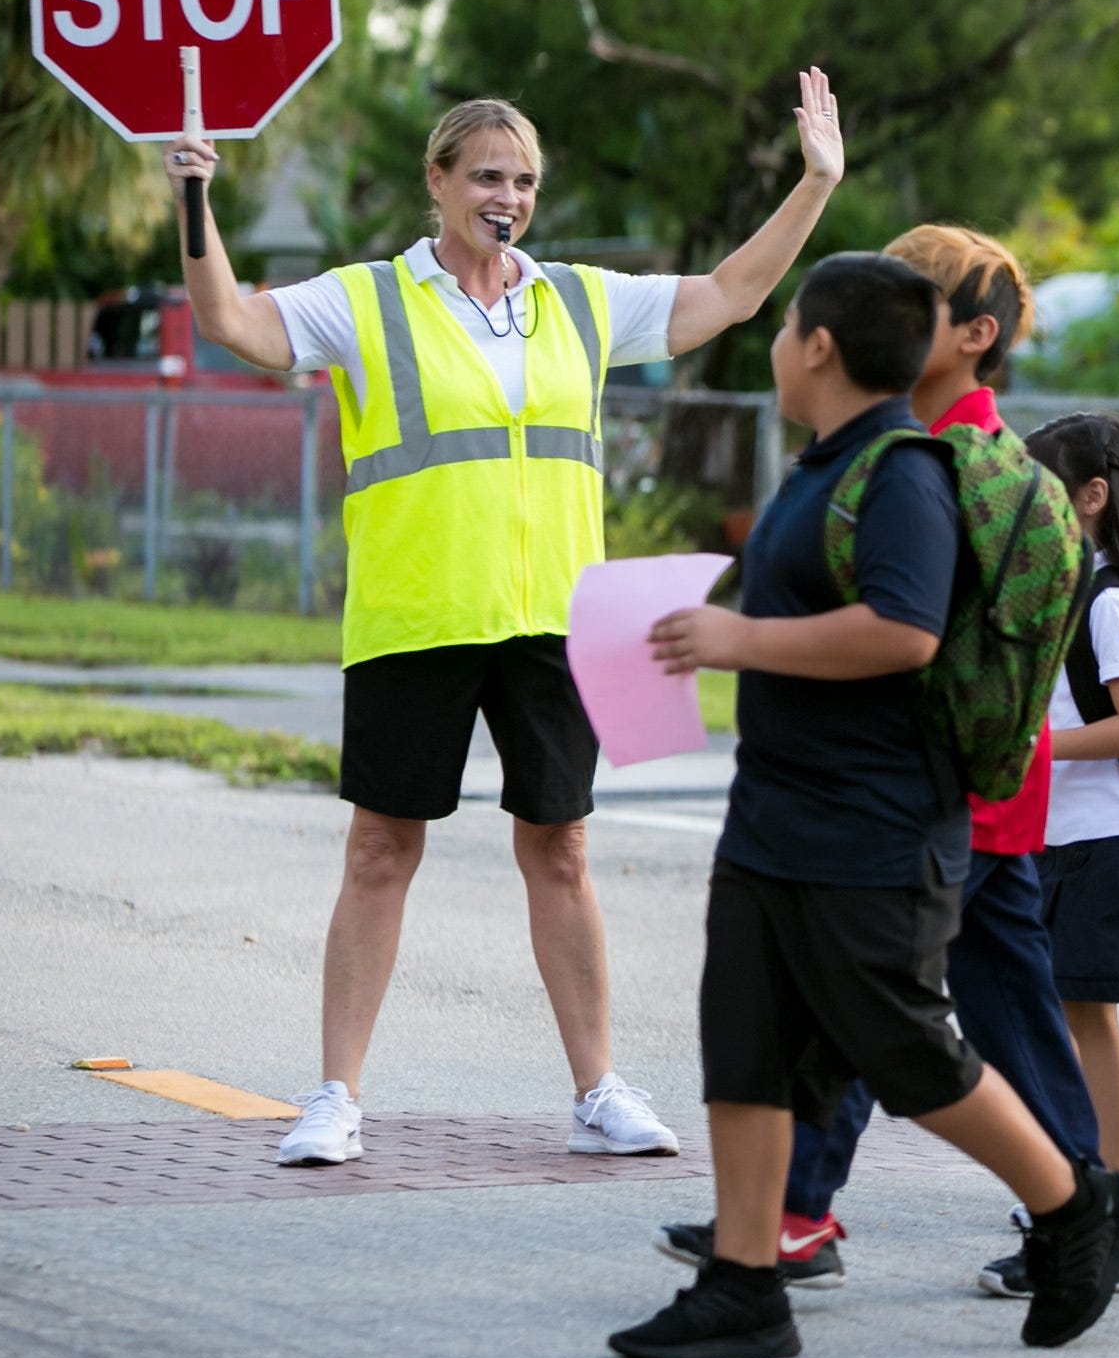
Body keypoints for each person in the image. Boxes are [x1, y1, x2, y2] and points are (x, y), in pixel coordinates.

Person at [161, 75, 846, 1166]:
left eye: (523, 179)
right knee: (382, 850)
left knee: (562, 850)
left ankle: (599, 1091)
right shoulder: (369, 298)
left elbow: (727, 295)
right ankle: (335, 1095)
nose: (508, 195)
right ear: (437, 182)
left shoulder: (575, 299)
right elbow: (232, 320)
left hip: (556, 624)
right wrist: (195, 203)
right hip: (416, 615)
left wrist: (817, 182)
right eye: (486, 174)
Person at [610, 253, 1119, 1358]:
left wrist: (736, 638)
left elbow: (904, 629)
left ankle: (1073, 1203)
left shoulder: (903, 469)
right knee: (748, 1044)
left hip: (878, 820)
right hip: (776, 811)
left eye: (784, 326)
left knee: (904, 1047)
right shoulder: (823, 464)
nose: (770, 345)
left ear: (817, 344)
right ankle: (746, 1282)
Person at [1023, 413, 1119, 1198]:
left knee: (1087, 1017)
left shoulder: (1109, 597)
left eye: (1041, 488)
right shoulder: (1072, 583)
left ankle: (1112, 1184)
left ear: (1090, 494)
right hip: (1058, 834)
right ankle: (1110, 1147)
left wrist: (1033, 747)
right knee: (1055, 1012)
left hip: (1102, 838)